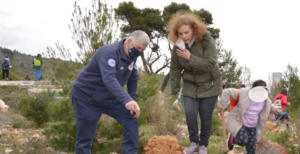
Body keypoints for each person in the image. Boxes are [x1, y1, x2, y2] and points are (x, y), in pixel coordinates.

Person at [71, 30, 150, 154]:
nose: (139, 52)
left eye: (142, 50)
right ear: (129, 41)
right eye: (138, 48)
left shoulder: (133, 56)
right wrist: (126, 99)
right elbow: (109, 79)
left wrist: (132, 100)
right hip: (87, 97)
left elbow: (133, 78)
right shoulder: (109, 52)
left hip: (109, 97)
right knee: (85, 139)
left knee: (131, 117)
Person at [168, 11, 222, 154]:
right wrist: (175, 89)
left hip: (209, 84)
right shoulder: (178, 45)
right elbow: (175, 68)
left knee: (205, 116)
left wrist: (190, 57)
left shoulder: (206, 40)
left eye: (186, 32)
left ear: (194, 29)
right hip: (190, 84)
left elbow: (211, 64)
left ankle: (203, 145)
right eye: (180, 33)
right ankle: (193, 143)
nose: (184, 36)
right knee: (190, 114)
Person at [218, 80, 281, 154]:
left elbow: (268, 107)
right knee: (243, 140)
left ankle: (238, 137)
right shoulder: (244, 92)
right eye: (257, 94)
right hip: (240, 123)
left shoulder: (265, 99)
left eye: (261, 94)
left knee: (251, 150)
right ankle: (233, 136)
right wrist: (222, 105)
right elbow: (227, 92)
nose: (259, 96)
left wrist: (276, 109)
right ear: (252, 90)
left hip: (252, 126)